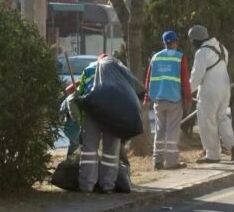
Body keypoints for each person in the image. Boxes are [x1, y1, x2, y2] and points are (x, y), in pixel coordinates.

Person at [75, 54, 135, 193]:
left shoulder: (89, 69)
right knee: (111, 150)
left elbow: (81, 93)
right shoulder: (120, 70)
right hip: (113, 112)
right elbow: (128, 94)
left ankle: (87, 185)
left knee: (89, 148)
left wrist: (82, 120)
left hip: (92, 110)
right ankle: (108, 185)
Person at [188, 24, 234, 164]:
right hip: (225, 88)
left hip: (209, 90)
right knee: (222, 118)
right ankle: (233, 144)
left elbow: (196, 77)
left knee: (207, 121)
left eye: (192, 40)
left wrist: (186, 91)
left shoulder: (202, 52)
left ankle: (213, 154)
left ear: (196, 39)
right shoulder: (222, 48)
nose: (191, 43)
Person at [144, 31, 192, 170]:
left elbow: (148, 79)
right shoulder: (179, 57)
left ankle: (157, 161)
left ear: (164, 43)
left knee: (159, 130)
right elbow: (185, 81)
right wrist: (188, 99)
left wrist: (146, 98)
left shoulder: (155, 57)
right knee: (172, 130)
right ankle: (171, 162)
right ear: (176, 42)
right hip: (174, 100)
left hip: (158, 100)